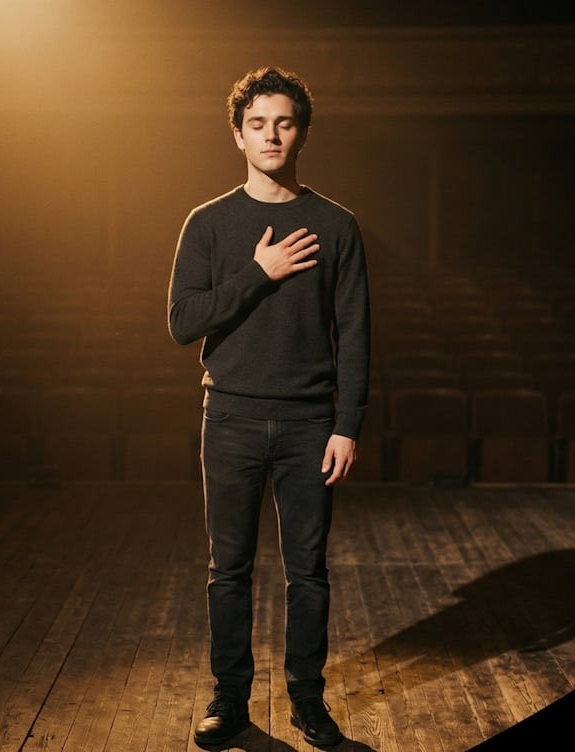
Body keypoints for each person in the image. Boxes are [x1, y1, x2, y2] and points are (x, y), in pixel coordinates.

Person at [167, 66, 371, 749]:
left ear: (302, 132)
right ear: (238, 135)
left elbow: (357, 332)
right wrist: (260, 273)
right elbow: (180, 321)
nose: (271, 134)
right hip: (228, 418)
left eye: (284, 122)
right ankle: (229, 700)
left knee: (307, 571)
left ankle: (308, 704)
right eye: (258, 123)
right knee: (229, 570)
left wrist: (347, 425)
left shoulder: (336, 225)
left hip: (311, 423)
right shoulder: (209, 223)